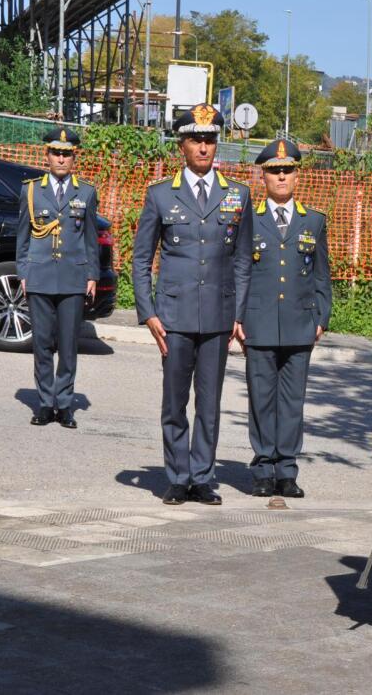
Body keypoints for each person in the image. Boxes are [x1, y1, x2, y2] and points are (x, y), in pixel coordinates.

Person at [131, 104, 252, 506]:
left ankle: (202, 477)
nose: (204, 147)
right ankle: (177, 477)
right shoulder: (160, 195)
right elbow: (140, 257)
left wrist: (238, 313)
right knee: (174, 402)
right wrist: (148, 312)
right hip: (175, 316)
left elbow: (242, 259)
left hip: (217, 316)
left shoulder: (238, 194)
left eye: (210, 140)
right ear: (181, 145)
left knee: (211, 405)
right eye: (196, 140)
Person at [240, 140, 332, 499]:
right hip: (258, 323)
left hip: (299, 325)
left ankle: (287, 470)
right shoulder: (250, 217)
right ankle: (263, 468)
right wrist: (238, 317)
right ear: (263, 175)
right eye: (274, 171)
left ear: (297, 175)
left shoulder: (314, 220)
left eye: (287, 170)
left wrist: (321, 316)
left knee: (292, 402)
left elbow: (323, 275)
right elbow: (240, 271)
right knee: (262, 399)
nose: (281, 176)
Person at [15, 127, 100, 429]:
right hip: (39, 275)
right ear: (47, 155)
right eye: (56, 152)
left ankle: (64, 404)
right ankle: (44, 403)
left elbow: (91, 237)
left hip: (73, 278)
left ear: (74, 157)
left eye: (67, 153)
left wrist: (92, 274)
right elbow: (23, 237)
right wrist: (23, 272)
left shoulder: (86, 192)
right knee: (41, 344)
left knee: (67, 344)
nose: (61, 158)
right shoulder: (31, 190)